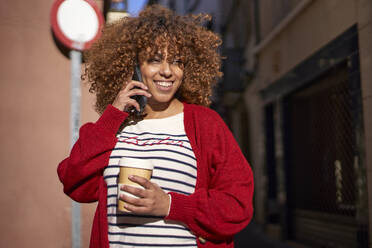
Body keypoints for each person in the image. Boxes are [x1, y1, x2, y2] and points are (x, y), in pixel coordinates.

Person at [57, 4, 254, 248]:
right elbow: (74, 182)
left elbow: (238, 205)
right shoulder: (114, 126)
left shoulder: (206, 124)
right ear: (135, 67)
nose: (167, 71)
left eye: (177, 61)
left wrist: (171, 205)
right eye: (155, 60)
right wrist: (113, 116)